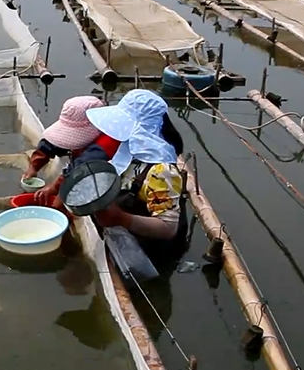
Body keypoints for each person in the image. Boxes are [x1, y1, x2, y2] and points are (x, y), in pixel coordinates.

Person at [84, 89, 187, 259]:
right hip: (125, 233)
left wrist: (121, 218)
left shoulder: (162, 172)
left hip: (152, 251)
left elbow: (168, 228)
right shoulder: (128, 150)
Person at [22, 96, 121, 210]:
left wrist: (57, 187)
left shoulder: (109, 140)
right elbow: (51, 143)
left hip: (105, 175)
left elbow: (83, 165)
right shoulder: (78, 117)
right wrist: (34, 165)